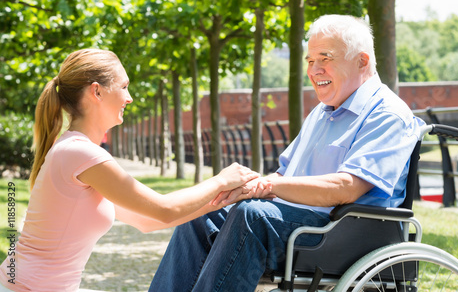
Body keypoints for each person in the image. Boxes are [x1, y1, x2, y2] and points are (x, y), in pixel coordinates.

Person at [148, 14, 426, 292]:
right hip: (301, 223)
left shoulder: (387, 113)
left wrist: (269, 185)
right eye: (309, 61)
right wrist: (243, 188)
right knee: (203, 212)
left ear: (361, 61)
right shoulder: (321, 113)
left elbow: (347, 188)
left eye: (325, 58)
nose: (314, 70)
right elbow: (283, 174)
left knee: (253, 216)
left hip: (346, 231)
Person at [0, 49, 271, 292]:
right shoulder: (80, 153)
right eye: (124, 86)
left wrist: (225, 199)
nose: (129, 98)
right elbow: (163, 208)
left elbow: (148, 220)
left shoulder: (76, 150)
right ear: (97, 92)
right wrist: (221, 180)